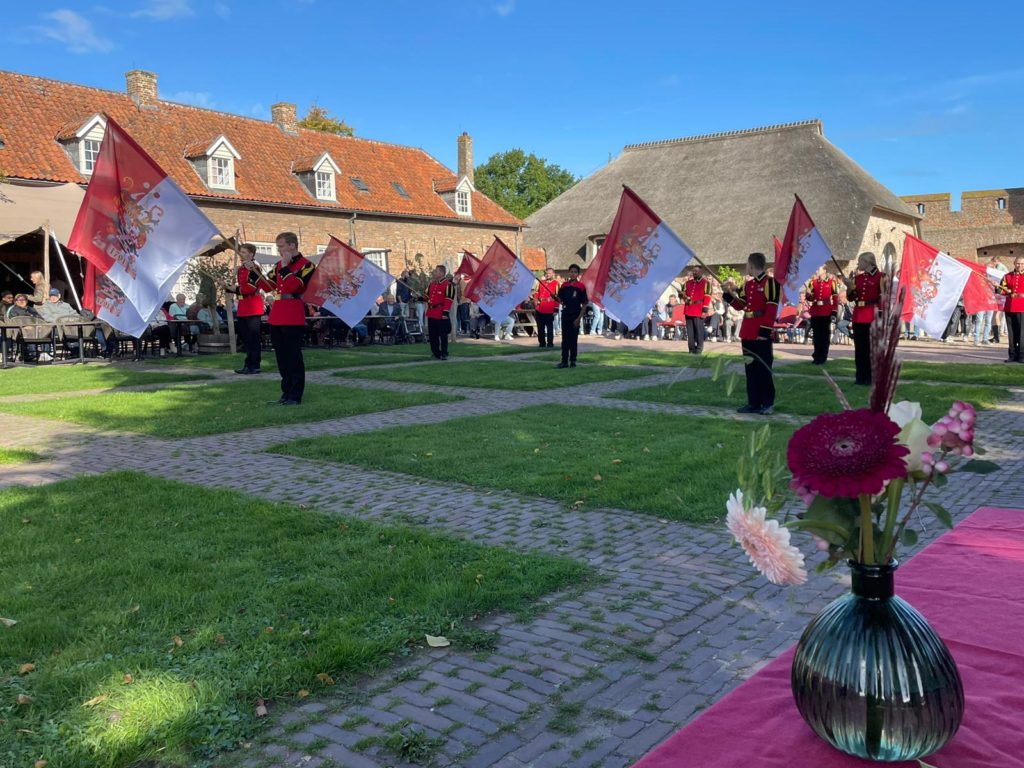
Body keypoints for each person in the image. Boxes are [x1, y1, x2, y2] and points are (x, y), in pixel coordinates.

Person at [255, 232, 316, 405]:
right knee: (281, 357)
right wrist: (255, 271)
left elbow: (295, 286)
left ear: (292, 245)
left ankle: (295, 394)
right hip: (278, 313)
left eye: (281, 246)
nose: (279, 250)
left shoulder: (307, 265)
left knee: (293, 356)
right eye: (278, 247)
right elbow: (268, 287)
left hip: (294, 312)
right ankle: (285, 392)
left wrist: (285, 267)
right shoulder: (279, 265)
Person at [723, 252, 780, 415]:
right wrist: (728, 294)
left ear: (752, 265)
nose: (746, 267)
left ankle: (767, 403)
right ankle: (753, 402)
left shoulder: (771, 283)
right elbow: (741, 305)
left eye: (747, 265)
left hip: (760, 331)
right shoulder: (749, 285)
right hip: (748, 331)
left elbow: (771, 309)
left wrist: (765, 331)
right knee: (751, 369)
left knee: (764, 368)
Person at [226, 244, 266, 374]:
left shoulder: (254, 268)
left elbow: (251, 288)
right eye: (241, 252)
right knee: (245, 337)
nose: (241, 254)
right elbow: (240, 289)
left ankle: (254, 365)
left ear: (251, 254)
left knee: (253, 338)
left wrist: (235, 289)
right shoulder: (242, 269)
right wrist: (226, 286)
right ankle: (248, 364)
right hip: (244, 306)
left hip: (253, 305)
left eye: (243, 252)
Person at [845, 252, 883, 385]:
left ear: (868, 262)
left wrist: (881, 318)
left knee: (872, 350)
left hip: (873, 316)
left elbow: (884, 298)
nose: (858, 264)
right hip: (859, 316)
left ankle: (873, 377)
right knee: (860, 349)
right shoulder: (858, 278)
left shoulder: (881, 277)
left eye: (860, 262)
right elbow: (852, 297)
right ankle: (860, 377)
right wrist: (849, 287)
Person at [805, 265, 839, 364]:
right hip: (816, 311)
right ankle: (816, 355)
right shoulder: (813, 282)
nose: (816, 270)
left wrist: (834, 311)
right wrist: (808, 294)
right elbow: (810, 298)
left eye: (818, 269)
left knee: (824, 335)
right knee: (816, 335)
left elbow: (835, 297)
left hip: (826, 310)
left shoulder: (832, 282)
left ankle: (823, 356)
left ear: (824, 270)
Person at [556, 264, 588, 368]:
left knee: (573, 339)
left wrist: (579, 318)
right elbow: (561, 300)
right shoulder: (564, 286)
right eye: (571, 271)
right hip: (566, 314)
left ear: (578, 274)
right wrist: (556, 298)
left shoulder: (581, 286)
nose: (573, 274)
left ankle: (573, 360)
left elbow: (584, 303)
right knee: (565, 339)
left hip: (576, 314)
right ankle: (564, 360)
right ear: (568, 273)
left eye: (575, 272)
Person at [997, 256, 1024, 363]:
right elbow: (1001, 290)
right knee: (1012, 333)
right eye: (1018, 263)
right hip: (1010, 307)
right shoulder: (1007, 276)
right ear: (1014, 263)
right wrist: (997, 287)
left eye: (1022, 264)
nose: (1020, 266)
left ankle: (1022, 355)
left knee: (1022, 333)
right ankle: (1012, 355)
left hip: (1022, 307)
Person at [425, 265, 455, 359]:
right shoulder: (432, 284)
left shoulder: (448, 285)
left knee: (443, 335)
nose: (434, 272)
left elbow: (448, 299)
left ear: (441, 273)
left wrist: (445, 313)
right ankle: (436, 352)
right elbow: (427, 296)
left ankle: (444, 353)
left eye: (436, 271)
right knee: (432, 335)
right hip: (431, 312)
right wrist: (420, 297)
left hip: (441, 313)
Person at [682, 267, 711, 354]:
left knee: (699, 330)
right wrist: (685, 299)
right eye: (693, 271)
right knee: (690, 331)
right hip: (689, 308)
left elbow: (707, 297)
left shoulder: (706, 283)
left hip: (699, 309)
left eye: (697, 271)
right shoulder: (687, 283)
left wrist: (704, 310)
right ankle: (691, 349)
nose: (695, 273)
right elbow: (684, 295)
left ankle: (699, 348)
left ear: (701, 272)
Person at [534, 267, 559, 349]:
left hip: (550, 308)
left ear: (553, 274)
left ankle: (550, 343)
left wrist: (556, 308)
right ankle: (541, 343)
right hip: (540, 308)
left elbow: (557, 297)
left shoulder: (556, 283)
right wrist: (536, 304)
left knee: (549, 328)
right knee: (540, 328)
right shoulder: (541, 283)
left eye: (549, 273)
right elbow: (536, 294)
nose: (548, 275)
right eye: (547, 273)